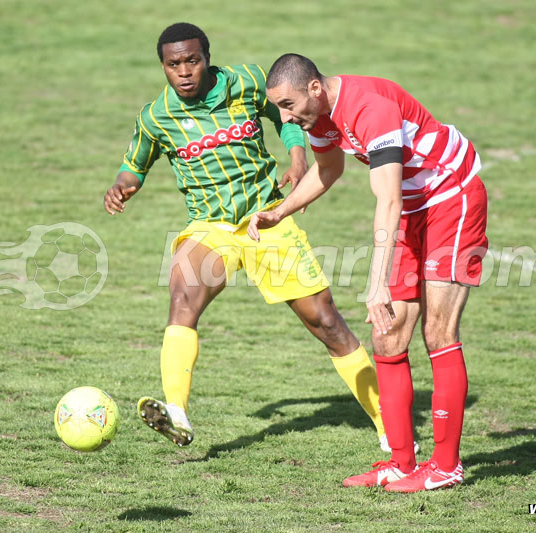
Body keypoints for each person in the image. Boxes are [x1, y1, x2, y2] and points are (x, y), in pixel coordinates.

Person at [103, 24, 393, 453]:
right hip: (211, 226)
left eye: (192, 60)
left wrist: (296, 158)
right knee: (183, 295)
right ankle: (177, 414)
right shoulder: (155, 117)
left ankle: (390, 428)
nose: (184, 71)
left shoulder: (248, 82)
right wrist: (122, 185)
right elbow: (135, 166)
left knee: (327, 323)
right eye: (173, 64)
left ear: (207, 57)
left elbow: (285, 116)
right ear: (162, 66)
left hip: (266, 219)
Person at [248, 53, 488, 492]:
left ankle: (446, 466)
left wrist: (376, 283)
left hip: (452, 196)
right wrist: (281, 211)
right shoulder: (317, 117)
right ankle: (400, 462)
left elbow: (388, 200)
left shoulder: (369, 108)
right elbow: (330, 169)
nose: (283, 116)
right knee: (388, 336)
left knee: (438, 331)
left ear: (314, 89)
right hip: (414, 208)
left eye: (287, 105)